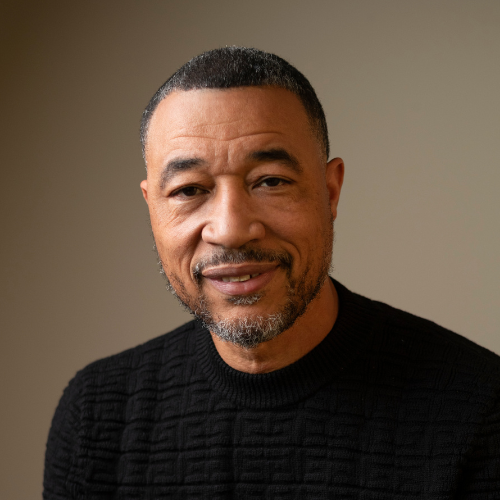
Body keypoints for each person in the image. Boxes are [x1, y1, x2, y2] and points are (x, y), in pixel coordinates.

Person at [44, 47, 500, 499]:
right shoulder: (97, 417)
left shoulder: (480, 409)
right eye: (189, 190)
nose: (231, 229)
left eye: (270, 181)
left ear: (330, 191)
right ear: (152, 208)